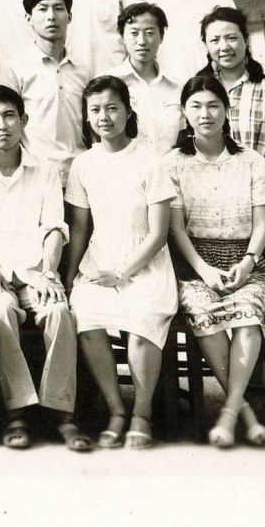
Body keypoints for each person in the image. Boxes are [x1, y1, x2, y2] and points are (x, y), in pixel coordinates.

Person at [0, 83, 87, 451]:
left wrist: (48, 271)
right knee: (1, 311)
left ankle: (62, 412)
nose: (2, 125)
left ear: (23, 120)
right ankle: (17, 412)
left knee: (59, 312)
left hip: (35, 271)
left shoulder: (44, 170)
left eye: (10, 116)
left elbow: (54, 228)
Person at [166, 72, 265, 448]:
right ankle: (244, 414)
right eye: (196, 107)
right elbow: (176, 230)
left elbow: (262, 224)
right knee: (205, 316)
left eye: (214, 106)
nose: (206, 114)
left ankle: (230, 413)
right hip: (194, 265)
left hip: (247, 263)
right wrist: (203, 270)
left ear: (226, 110)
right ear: (184, 113)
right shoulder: (173, 163)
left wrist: (247, 263)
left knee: (248, 317)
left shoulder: (252, 161)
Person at [65, 75, 177, 449]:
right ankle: (116, 409)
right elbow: (80, 228)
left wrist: (123, 272)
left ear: (128, 111)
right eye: (95, 110)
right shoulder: (83, 164)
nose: (104, 117)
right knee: (86, 313)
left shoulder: (151, 161)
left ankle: (141, 413)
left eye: (112, 108)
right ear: (86, 116)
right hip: (99, 262)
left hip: (146, 265)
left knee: (143, 318)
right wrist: (70, 276)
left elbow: (158, 234)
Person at [202, 5, 265, 304]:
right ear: (206, 45)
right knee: (220, 292)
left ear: (246, 40)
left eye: (231, 38)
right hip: (212, 196)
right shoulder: (201, 89)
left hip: (263, 192)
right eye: (215, 40)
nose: (224, 46)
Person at [8, 0, 90, 175]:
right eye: (42, 9)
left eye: (58, 8)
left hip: (79, 171)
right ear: (29, 18)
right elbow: (9, 126)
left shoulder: (83, 70)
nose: (51, 16)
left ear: (69, 17)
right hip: (34, 174)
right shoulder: (15, 69)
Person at [111, 2, 181, 158]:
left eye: (149, 33)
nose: (142, 41)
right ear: (122, 37)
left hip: (169, 171)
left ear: (161, 36)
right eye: (134, 33)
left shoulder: (177, 86)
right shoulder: (109, 84)